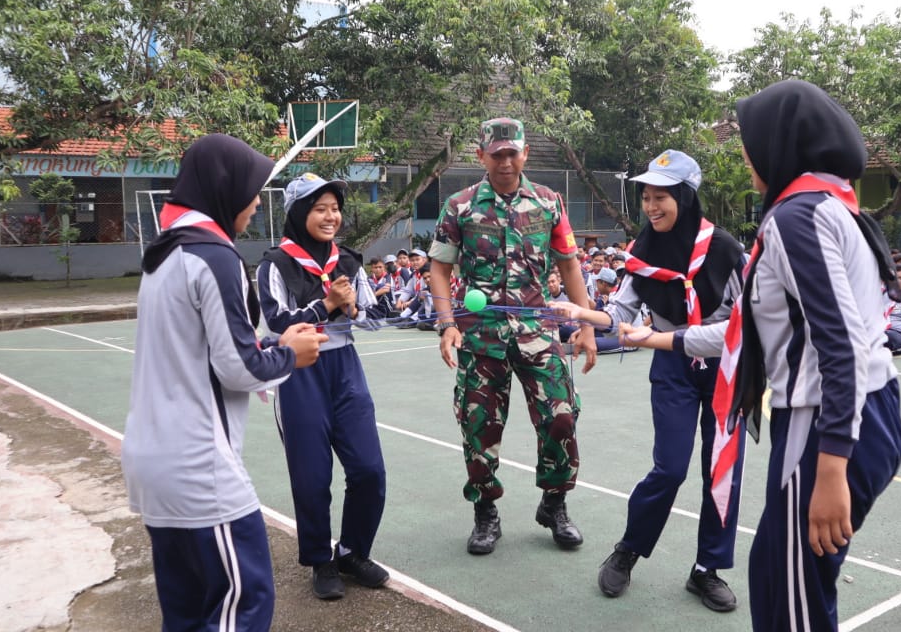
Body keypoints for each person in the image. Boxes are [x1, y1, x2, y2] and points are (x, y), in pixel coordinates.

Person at [619, 81, 901, 632]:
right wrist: (655, 339)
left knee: (790, 599)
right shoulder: (830, 205)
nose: (745, 152)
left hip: (826, 423)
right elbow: (738, 335)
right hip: (854, 413)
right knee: (776, 578)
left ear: (780, 142)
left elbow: (840, 344)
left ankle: (710, 562)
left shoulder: (796, 218)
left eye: (749, 138)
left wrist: (831, 468)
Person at [122, 134, 327, 631]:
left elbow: (208, 353)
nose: (257, 204)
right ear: (225, 189)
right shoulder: (216, 256)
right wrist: (289, 355)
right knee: (245, 601)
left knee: (188, 612)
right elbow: (238, 369)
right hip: (199, 468)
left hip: (153, 464)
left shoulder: (166, 253)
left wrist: (268, 346)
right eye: (253, 190)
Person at [550, 149, 748, 612]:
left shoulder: (725, 250)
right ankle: (628, 550)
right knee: (670, 468)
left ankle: (707, 569)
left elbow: (744, 326)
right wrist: (581, 313)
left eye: (661, 197)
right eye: (646, 197)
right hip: (674, 369)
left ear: (684, 196)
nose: (652, 206)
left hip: (726, 369)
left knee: (721, 472)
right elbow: (618, 314)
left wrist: (667, 338)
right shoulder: (642, 252)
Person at [427, 117, 598, 556]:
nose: (505, 161)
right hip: (480, 337)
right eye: (496, 153)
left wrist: (586, 325)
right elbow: (441, 269)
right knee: (478, 426)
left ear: (524, 154)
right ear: (482, 156)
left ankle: (554, 503)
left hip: (538, 333)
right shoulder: (460, 206)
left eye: (512, 152)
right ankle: (485, 511)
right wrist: (448, 325)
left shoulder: (548, 203)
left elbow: (570, 265)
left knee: (561, 417)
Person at [256, 173, 389, 600]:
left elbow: (376, 319)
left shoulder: (349, 261)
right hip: (298, 371)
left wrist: (353, 306)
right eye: (319, 208)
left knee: (369, 469)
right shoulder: (274, 263)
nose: (330, 216)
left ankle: (351, 551)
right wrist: (328, 304)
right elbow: (279, 322)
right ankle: (320, 560)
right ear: (298, 213)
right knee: (312, 478)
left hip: (345, 368)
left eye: (334, 208)